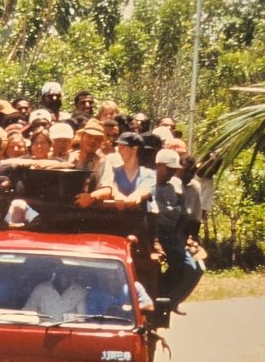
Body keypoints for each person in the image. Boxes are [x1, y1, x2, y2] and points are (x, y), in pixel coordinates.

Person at [152, 149, 202, 312]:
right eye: (169, 169)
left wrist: (184, 238)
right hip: (155, 235)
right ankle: (161, 300)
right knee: (184, 267)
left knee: (193, 268)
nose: (172, 173)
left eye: (174, 170)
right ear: (159, 166)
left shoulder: (176, 186)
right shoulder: (149, 184)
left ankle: (169, 301)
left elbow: (185, 215)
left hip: (172, 235)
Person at [75, 132, 154, 209]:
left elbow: (141, 192)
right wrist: (114, 193)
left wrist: (127, 198)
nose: (119, 151)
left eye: (122, 148)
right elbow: (107, 187)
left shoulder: (149, 174)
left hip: (138, 219)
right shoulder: (113, 171)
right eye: (118, 147)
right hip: (113, 218)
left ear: (134, 149)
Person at [23, 265, 89, 320]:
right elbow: (28, 312)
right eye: (61, 273)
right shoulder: (41, 288)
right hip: (42, 329)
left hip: (68, 331)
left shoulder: (80, 292)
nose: (64, 276)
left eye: (67, 273)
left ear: (72, 276)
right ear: (56, 274)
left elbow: (82, 318)